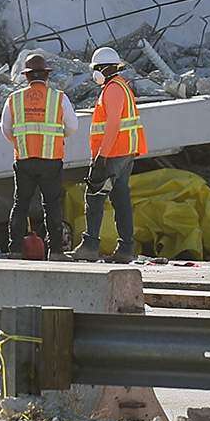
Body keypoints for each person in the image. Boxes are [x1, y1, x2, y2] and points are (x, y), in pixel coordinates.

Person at [69, 46, 148, 264]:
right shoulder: (122, 87)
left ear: (104, 69)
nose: (94, 73)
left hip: (113, 153)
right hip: (124, 152)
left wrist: (101, 156)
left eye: (96, 68)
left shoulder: (113, 89)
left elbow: (113, 124)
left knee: (94, 196)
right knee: (120, 198)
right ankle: (126, 248)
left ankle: (90, 246)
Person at [0, 53, 75, 260]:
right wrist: (58, 137)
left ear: (26, 76)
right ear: (47, 75)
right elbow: (72, 126)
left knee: (20, 204)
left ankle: (15, 249)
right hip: (51, 160)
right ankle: (56, 251)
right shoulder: (59, 98)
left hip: (24, 159)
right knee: (52, 205)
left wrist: (20, 143)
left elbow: (6, 129)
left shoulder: (14, 99)